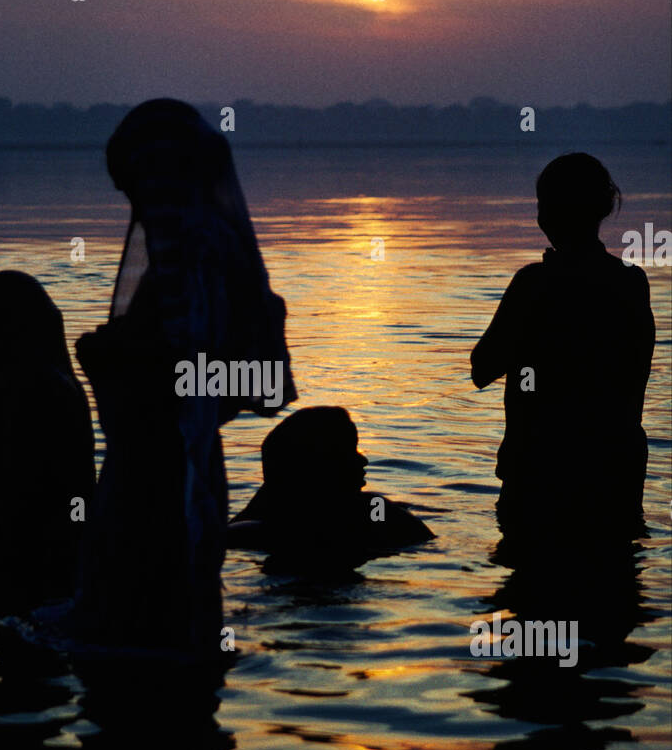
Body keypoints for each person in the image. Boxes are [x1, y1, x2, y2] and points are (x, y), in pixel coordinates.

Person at [74, 98, 295, 656]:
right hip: (173, 470)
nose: (136, 205)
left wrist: (113, 358)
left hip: (164, 478)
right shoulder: (213, 249)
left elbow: (212, 378)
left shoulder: (195, 253)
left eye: (136, 186)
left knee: (144, 647)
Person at [471, 153, 654, 545]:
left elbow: (481, 369)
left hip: (540, 476)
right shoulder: (632, 284)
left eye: (543, 206)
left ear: (550, 215)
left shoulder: (534, 284)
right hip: (615, 475)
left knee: (534, 590)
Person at [0, 270, 96, 599]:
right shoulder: (42, 383)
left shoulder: (41, 390)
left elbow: (13, 491)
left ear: (8, 330)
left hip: (39, 570)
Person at [228, 406, 433, 573]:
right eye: (349, 450)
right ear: (321, 464)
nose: (363, 459)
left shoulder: (253, 530)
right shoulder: (375, 512)